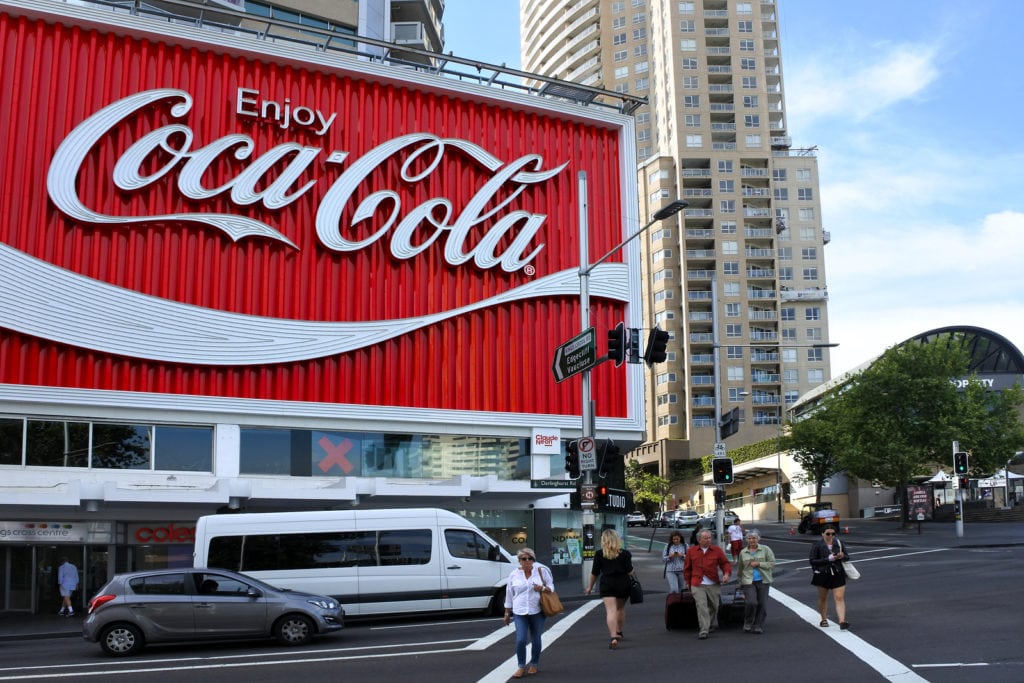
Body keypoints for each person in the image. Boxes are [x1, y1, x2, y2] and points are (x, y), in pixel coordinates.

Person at [503, 547, 553, 678]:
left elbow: (551, 588)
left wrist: (541, 587)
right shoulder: (513, 574)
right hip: (519, 611)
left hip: (537, 611)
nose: (527, 561)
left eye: (530, 558)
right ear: (519, 561)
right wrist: (507, 613)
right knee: (521, 640)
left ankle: (534, 664)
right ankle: (521, 666)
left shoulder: (541, 571)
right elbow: (509, 594)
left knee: (536, 638)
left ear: (533, 559)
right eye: (524, 559)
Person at [585, 529, 634, 650]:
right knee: (620, 608)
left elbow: (594, 572)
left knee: (611, 611)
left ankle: (613, 637)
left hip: (607, 583)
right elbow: (630, 571)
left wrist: (590, 587)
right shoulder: (625, 554)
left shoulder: (599, 554)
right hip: (623, 583)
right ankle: (619, 631)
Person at [683, 529, 731, 640]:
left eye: (710, 538)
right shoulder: (691, 551)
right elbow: (687, 569)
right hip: (697, 583)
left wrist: (726, 574)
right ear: (699, 540)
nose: (709, 540)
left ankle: (708, 624)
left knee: (715, 606)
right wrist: (687, 582)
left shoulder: (717, 550)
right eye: (706, 538)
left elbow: (725, 563)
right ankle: (704, 630)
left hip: (713, 583)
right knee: (702, 606)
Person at [809, 527, 851, 630]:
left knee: (839, 597)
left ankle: (842, 621)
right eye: (828, 534)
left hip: (838, 573)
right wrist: (828, 559)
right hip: (823, 573)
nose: (831, 536)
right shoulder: (817, 545)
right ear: (822, 534)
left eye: (833, 533)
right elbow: (812, 561)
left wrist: (842, 556)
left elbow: (847, 557)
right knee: (823, 597)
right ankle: (823, 619)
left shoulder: (839, 543)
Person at [736, 529, 775, 634]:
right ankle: (748, 622)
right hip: (748, 582)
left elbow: (772, 563)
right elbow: (740, 568)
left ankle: (758, 625)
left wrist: (759, 564)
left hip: (763, 580)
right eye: (749, 538)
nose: (752, 540)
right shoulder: (743, 552)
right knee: (751, 602)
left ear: (758, 539)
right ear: (746, 540)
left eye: (754, 538)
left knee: (762, 604)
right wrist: (739, 580)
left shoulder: (766, 549)